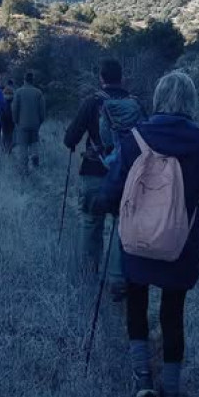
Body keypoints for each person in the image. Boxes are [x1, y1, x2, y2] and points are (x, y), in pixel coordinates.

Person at [95, 71, 199, 397]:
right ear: (190, 102)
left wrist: (112, 206)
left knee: (136, 304)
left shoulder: (135, 138)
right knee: (173, 315)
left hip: (137, 241)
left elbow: (110, 193)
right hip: (180, 245)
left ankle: (143, 380)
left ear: (157, 98)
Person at [63, 58, 135, 300]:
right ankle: (117, 279)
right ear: (122, 79)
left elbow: (70, 139)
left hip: (94, 172)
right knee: (120, 226)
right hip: (124, 177)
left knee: (91, 221)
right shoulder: (134, 104)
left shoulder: (92, 102)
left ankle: (88, 275)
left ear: (101, 78)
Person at [12, 72, 46, 172]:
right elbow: (42, 110)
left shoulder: (18, 92)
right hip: (35, 124)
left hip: (22, 124)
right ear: (32, 81)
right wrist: (39, 122)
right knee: (34, 144)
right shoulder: (38, 92)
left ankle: (24, 170)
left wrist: (16, 121)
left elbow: (14, 109)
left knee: (23, 147)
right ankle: (35, 165)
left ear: (24, 80)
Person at [1, 79, 16, 154]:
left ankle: (4, 148)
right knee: (10, 134)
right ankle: (9, 150)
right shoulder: (14, 91)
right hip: (11, 117)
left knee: (4, 133)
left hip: (4, 117)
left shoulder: (3, 91)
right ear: (12, 84)